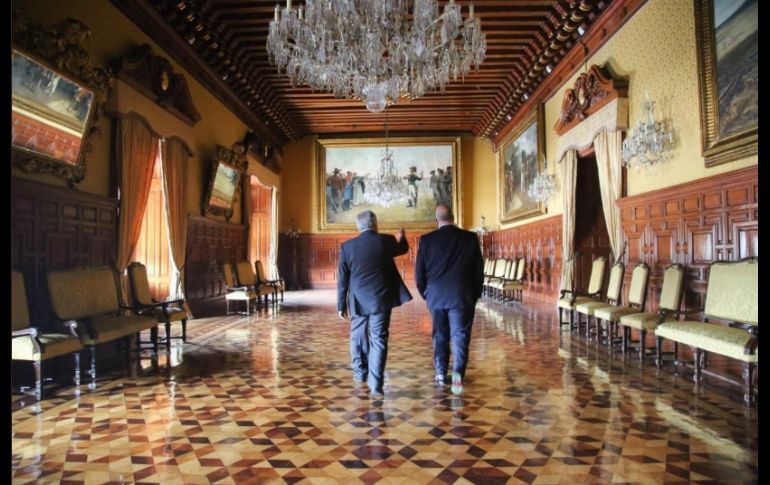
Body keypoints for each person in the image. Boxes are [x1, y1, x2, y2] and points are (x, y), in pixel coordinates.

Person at [337, 211, 412, 397]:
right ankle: (376, 384)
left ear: (358, 226)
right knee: (378, 339)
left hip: (358, 300)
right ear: (375, 224)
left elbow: (342, 279)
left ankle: (360, 372)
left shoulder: (347, 247)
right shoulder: (386, 241)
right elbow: (402, 249)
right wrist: (402, 238)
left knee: (357, 336)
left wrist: (341, 305)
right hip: (381, 299)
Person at [415, 205, 484, 395]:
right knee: (460, 336)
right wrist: (475, 294)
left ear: (436, 220)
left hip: (436, 296)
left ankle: (439, 373)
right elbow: (479, 270)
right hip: (462, 296)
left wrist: (426, 294)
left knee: (439, 335)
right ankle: (457, 376)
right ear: (453, 217)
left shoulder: (427, 240)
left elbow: (419, 274)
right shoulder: (469, 238)